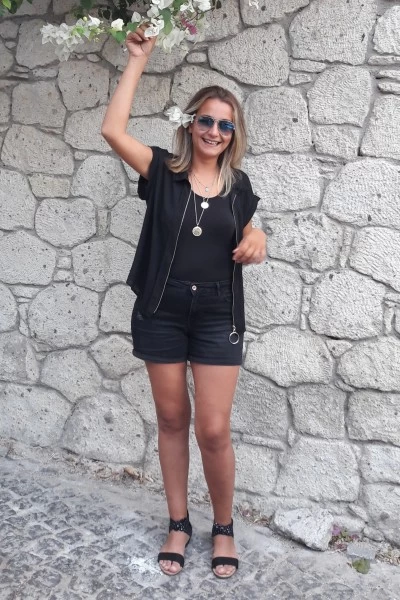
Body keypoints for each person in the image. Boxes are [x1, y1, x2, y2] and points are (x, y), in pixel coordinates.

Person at [101, 26, 267, 580]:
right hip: (163, 311)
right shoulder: (162, 173)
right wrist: (137, 60)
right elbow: (111, 129)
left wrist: (259, 236)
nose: (214, 131)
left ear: (233, 133)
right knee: (172, 419)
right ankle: (179, 522)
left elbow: (248, 227)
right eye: (206, 121)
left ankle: (223, 527)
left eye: (225, 124)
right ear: (190, 124)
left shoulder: (239, 186)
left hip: (218, 314)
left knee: (213, 429)